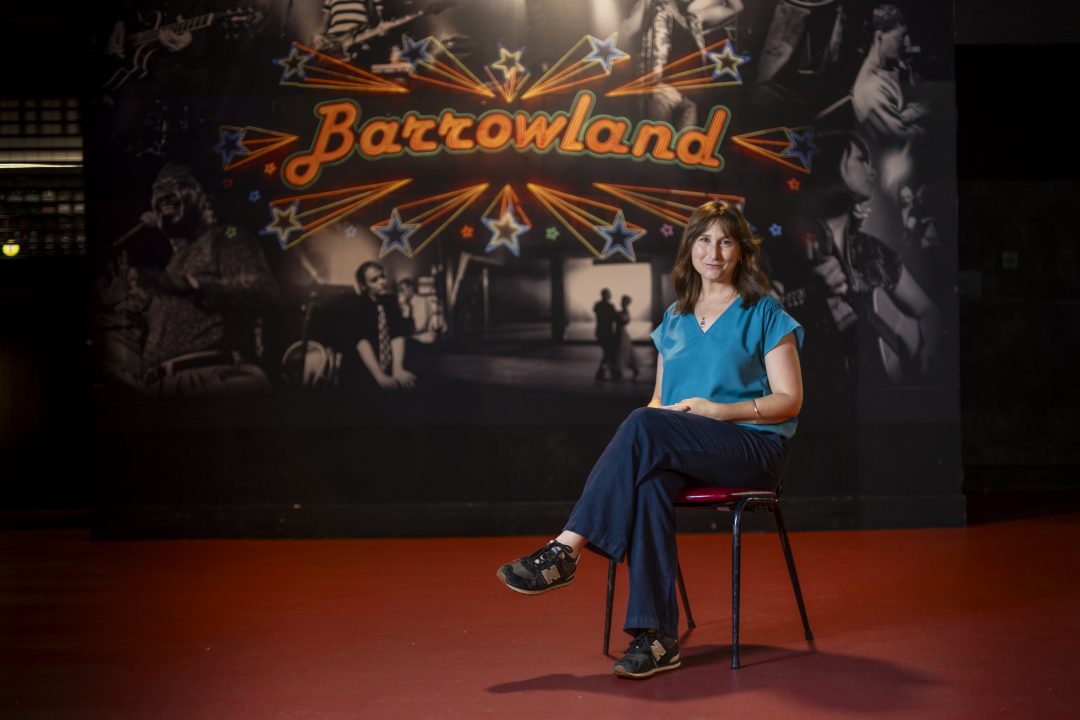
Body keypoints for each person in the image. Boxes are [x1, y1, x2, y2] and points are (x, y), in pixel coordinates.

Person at [497, 201, 804, 678]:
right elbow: (661, 403)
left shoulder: (764, 310)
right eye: (704, 240)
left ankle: (565, 550)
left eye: (726, 240)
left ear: (742, 251)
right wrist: (655, 431)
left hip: (753, 448)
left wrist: (718, 410)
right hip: (689, 448)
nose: (714, 251)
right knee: (646, 482)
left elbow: (789, 400)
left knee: (642, 424)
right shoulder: (675, 317)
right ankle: (658, 637)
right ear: (691, 249)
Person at [770, 132, 940, 393]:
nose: (872, 172)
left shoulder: (872, 251)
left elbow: (928, 311)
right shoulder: (788, 250)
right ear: (832, 166)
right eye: (861, 159)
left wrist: (925, 352)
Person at [130, 164, 278, 396]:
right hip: (160, 391)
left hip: (217, 377)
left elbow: (262, 291)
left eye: (178, 185)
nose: (164, 194)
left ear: (205, 201)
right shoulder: (169, 267)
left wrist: (193, 286)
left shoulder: (227, 236)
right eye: (158, 189)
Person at [850, 3, 927, 143]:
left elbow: (922, 100)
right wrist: (930, 124)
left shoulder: (895, 66)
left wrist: (912, 112)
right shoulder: (871, 88)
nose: (907, 43)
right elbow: (901, 140)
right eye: (900, 37)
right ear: (879, 37)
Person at [341, 261, 417, 390]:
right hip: (362, 369)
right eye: (374, 280)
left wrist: (397, 368)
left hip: (387, 367)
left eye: (382, 276)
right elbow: (362, 341)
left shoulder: (391, 301)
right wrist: (379, 376)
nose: (382, 282)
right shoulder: (357, 305)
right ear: (364, 286)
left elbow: (397, 335)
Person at [593, 288, 619, 381]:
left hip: (600, 331)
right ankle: (603, 372)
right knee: (608, 353)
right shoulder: (610, 306)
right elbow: (615, 317)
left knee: (607, 352)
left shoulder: (597, 305)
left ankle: (604, 372)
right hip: (608, 332)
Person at [615, 294, 640, 380]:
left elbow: (626, 320)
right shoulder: (623, 311)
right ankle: (632, 368)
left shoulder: (624, 311)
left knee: (621, 350)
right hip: (621, 332)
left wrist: (618, 317)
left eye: (623, 301)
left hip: (621, 333)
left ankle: (619, 370)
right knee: (625, 350)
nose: (621, 302)